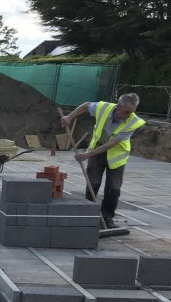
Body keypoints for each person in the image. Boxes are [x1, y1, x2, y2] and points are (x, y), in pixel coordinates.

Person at [60, 93, 146, 229]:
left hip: (117, 155)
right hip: (97, 148)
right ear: (118, 107)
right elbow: (86, 105)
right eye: (127, 111)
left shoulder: (133, 122)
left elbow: (112, 144)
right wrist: (69, 116)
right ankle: (89, 214)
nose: (129, 115)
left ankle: (107, 218)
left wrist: (87, 155)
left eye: (132, 111)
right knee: (93, 183)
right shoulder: (103, 108)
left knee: (113, 188)